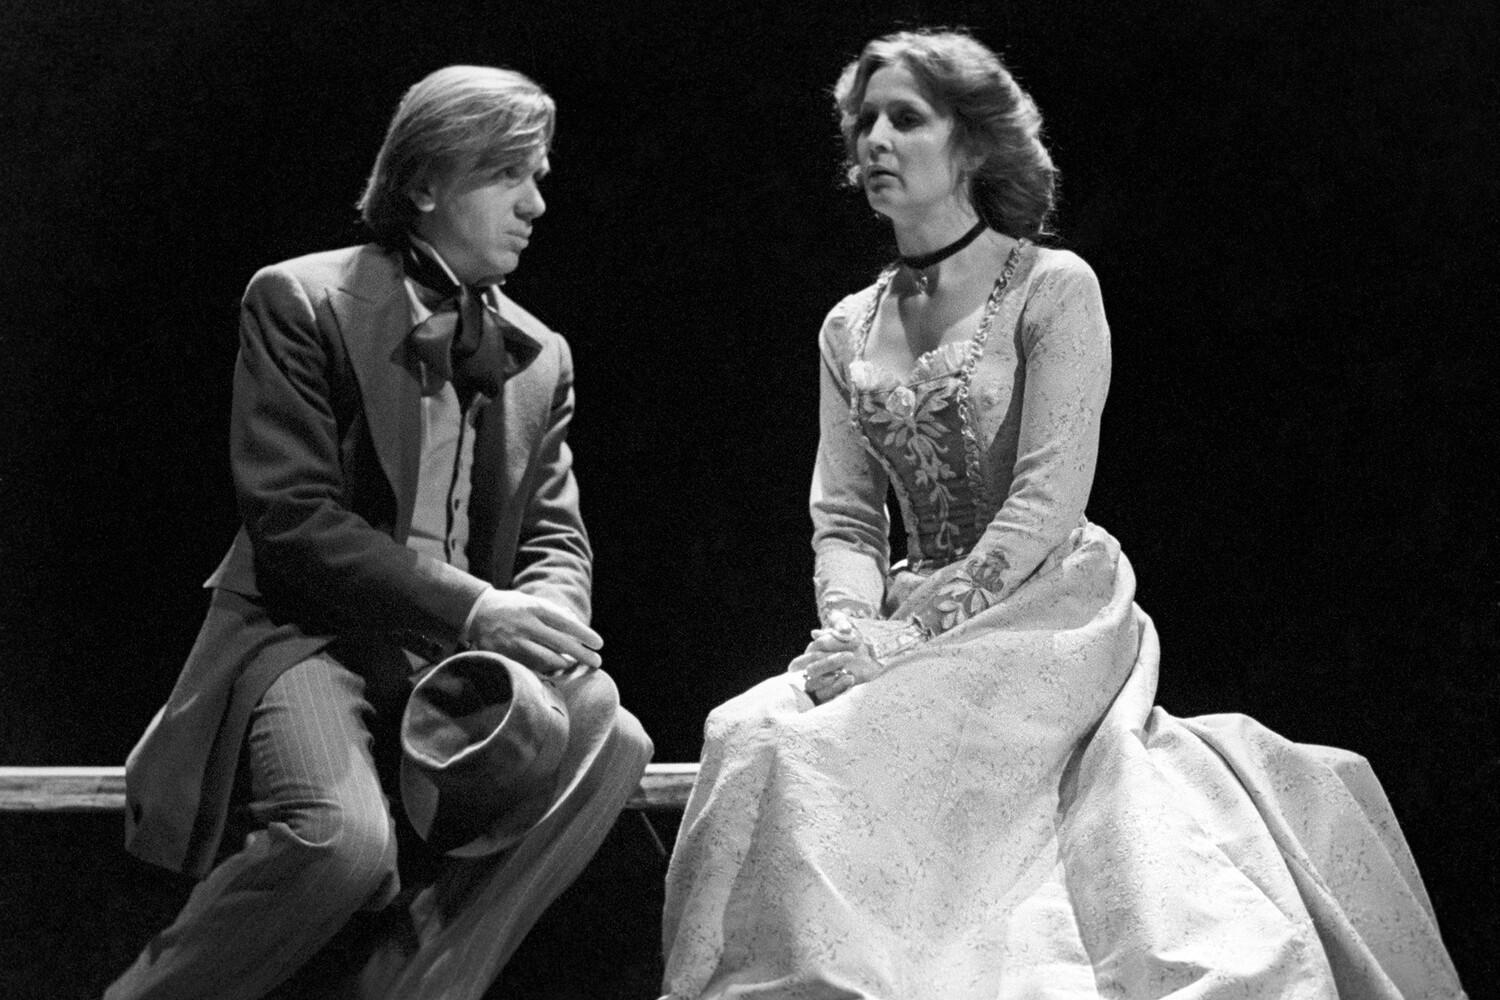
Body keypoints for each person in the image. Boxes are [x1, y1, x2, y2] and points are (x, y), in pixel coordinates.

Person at [660, 29, 1466, 1000]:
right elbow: (847, 520)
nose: (874, 140)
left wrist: (905, 637)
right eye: (863, 120)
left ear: (972, 142)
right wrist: (851, 627)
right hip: (901, 612)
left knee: (848, 744)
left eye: (905, 118)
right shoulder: (847, 324)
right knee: (749, 728)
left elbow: (1045, 502)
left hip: (1047, 605)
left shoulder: (1052, 287)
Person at [107, 65, 652, 1000]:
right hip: (306, 636)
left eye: (539, 177)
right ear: (426, 182)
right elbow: (293, 520)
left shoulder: (540, 353)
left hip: (454, 659)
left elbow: (555, 538)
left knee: (612, 734)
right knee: (342, 843)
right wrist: (475, 607)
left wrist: (547, 623)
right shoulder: (299, 298)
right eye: (508, 175)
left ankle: (420, 988)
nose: (534, 204)